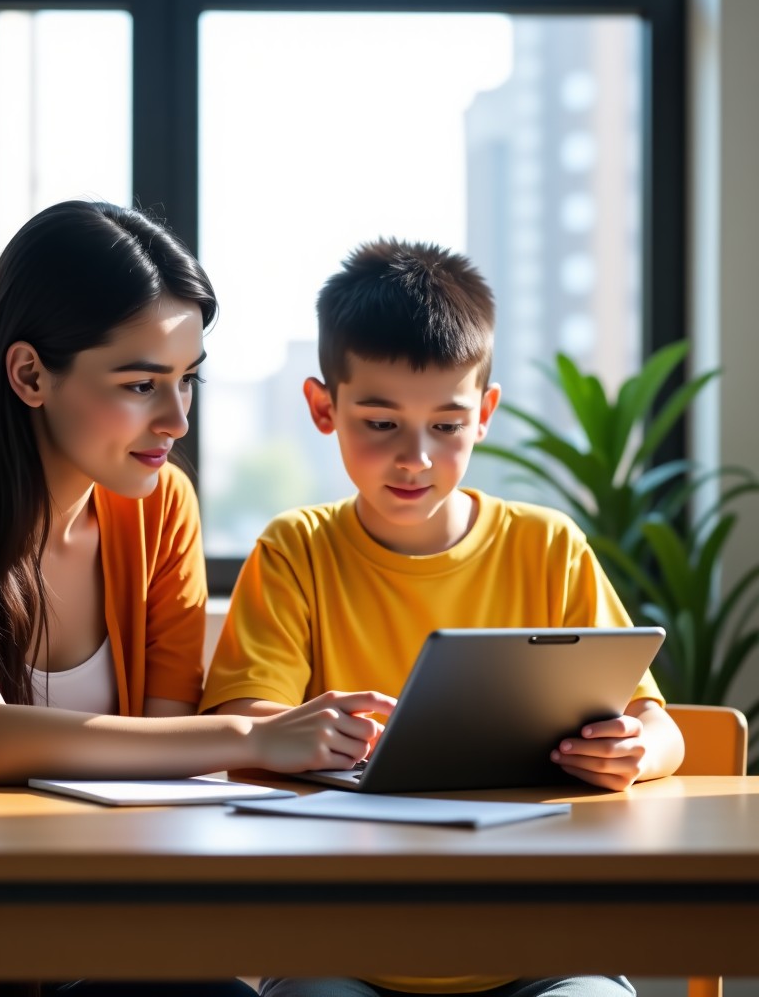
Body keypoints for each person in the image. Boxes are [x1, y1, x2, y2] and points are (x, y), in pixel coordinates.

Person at [0, 200, 395, 997]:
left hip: (71, 948)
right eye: (139, 384)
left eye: (187, 381)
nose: (175, 419)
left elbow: (163, 762)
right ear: (28, 374)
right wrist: (248, 738)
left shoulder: (161, 510)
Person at [200, 238, 685, 997]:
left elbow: (660, 728)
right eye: (381, 422)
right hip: (343, 946)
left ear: (484, 414)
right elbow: (247, 728)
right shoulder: (297, 550)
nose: (415, 458)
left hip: (541, 945)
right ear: (324, 408)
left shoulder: (546, 546)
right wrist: (314, 733)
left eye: (446, 426)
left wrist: (635, 751)